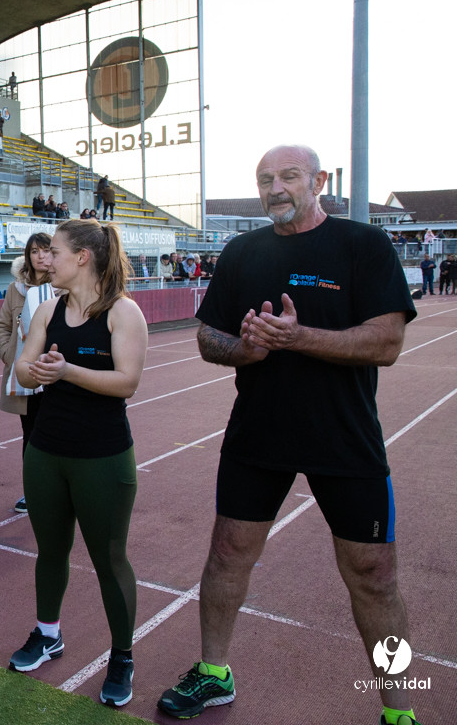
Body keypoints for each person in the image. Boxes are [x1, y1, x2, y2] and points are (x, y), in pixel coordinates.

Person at [157, 146, 420, 725]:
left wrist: (297, 338)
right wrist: (247, 349)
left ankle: (399, 711)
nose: (275, 187)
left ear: (320, 181)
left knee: (374, 576)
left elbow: (386, 344)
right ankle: (213, 674)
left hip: (346, 439)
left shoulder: (363, 245)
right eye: (265, 179)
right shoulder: (242, 252)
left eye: (289, 176)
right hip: (258, 437)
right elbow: (209, 339)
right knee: (227, 555)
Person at [10, 219, 147, 709]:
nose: (47, 260)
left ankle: (123, 656)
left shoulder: (123, 313)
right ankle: (48, 634)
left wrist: (65, 370)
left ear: (83, 258)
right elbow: (24, 366)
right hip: (46, 451)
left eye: (56, 253)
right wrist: (38, 369)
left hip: (103, 455)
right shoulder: (47, 307)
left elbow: (127, 382)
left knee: (109, 559)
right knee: (50, 549)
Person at [0, 232, 51, 515]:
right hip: (25, 375)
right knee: (31, 435)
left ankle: (59, 490)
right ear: (27, 256)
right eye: (34, 251)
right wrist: (9, 355)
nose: (41, 256)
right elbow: (2, 325)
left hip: (56, 375)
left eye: (46, 251)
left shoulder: (64, 289)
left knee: (58, 432)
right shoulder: (15, 289)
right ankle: (32, 491)